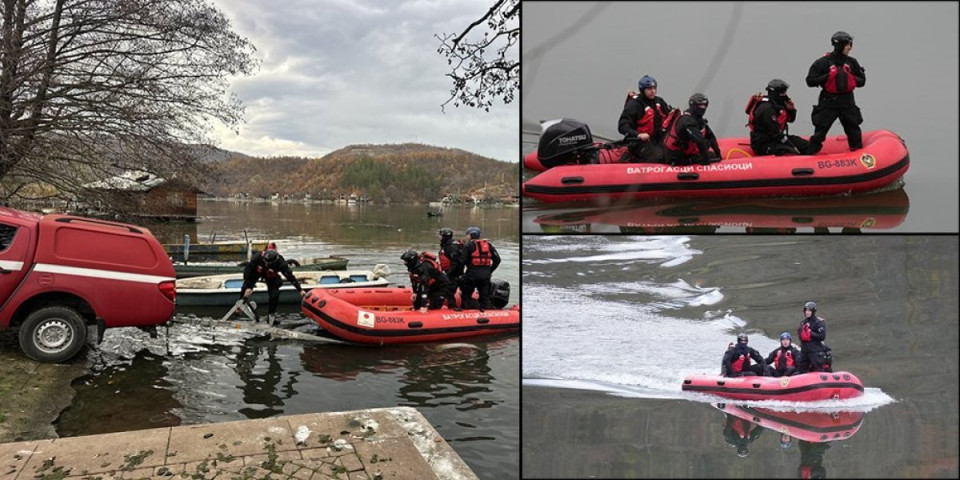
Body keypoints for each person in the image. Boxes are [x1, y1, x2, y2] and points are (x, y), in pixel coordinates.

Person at [805, 31, 866, 155]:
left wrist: (851, 77)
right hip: (828, 102)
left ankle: (858, 158)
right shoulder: (822, 62)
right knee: (820, 133)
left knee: (853, 130)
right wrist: (828, 76)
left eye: (850, 44)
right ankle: (808, 157)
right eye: (847, 44)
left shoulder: (852, 62)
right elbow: (810, 81)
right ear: (839, 45)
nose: (849, 47)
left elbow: (862, 81)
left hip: (847, 102)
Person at [240, 243, 305, 325]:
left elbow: (290, 276)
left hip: (271, 275)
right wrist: (249, 287)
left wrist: (300, 289)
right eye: (266, 262)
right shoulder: (257, 257)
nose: (267, 264)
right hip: (256, 272)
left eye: (269, 263)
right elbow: (247, 271)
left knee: (275, 294)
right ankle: (240, 306)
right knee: (246, 286)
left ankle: (271, 316)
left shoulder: (281, 263)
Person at [746, 79, 810, 156]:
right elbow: (776, 133)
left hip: (775, 139)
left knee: (807, 147)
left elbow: (791, 120)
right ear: (775, 93)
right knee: (790, 152)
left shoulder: (777, 105)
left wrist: (791, 110)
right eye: (783, 92)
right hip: (763, 143)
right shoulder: (766, 109)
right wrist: (792, 146)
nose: (785, 94)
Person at [618, 75, 673, 163]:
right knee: (659, 155)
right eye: (649, 89)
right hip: (638, 144)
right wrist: (638, 135)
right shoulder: (635, 104)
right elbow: (622, 126)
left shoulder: (659, 102)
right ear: (642, 90)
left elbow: (670, 115)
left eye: (654, 88)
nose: (653, 91)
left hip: (657, 140)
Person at [663, 93, 722, 166]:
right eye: (700, 105)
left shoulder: (698, 119)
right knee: (709, 156)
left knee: (712, 154)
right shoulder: (687, 121)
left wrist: (718, 155)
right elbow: (700, 141)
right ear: (693, 106)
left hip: (686, 152)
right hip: (676, 157)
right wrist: (706, 163)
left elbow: (711, 136)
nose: (703, 108)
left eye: (704, 106)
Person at [459, 226, 501, 310]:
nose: (466, 236)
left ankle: (467, 313)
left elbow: (461, 261)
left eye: (467, 234)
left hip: (471, 275)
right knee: (484, 297)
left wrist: (461, 274)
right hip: (485, 276)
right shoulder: (488, 245)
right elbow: (497, 260)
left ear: (471, 235)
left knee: (466, 295)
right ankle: (486, 312)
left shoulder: (468, 245)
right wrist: (490, 270)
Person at [796, 301, 833, 373]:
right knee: (801, 369)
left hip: (814, 350)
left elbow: (822, 337)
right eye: (806, 310)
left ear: (813, 311)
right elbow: (800, 336)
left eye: (809, 311)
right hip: (804, 351)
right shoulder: (802, 323)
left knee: (819, 368)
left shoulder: (818, 322)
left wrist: (810, 333)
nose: (807, 312)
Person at [438, 227, 464, 310]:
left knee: (448, 291)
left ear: (445, 236)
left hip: (453, 274)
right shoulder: (448, 245)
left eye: (441, 236)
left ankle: (453, 308)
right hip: (452, 273)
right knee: (448, 291)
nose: (439, 237)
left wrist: (448, 274)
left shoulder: (451, 247)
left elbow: (455, 261)